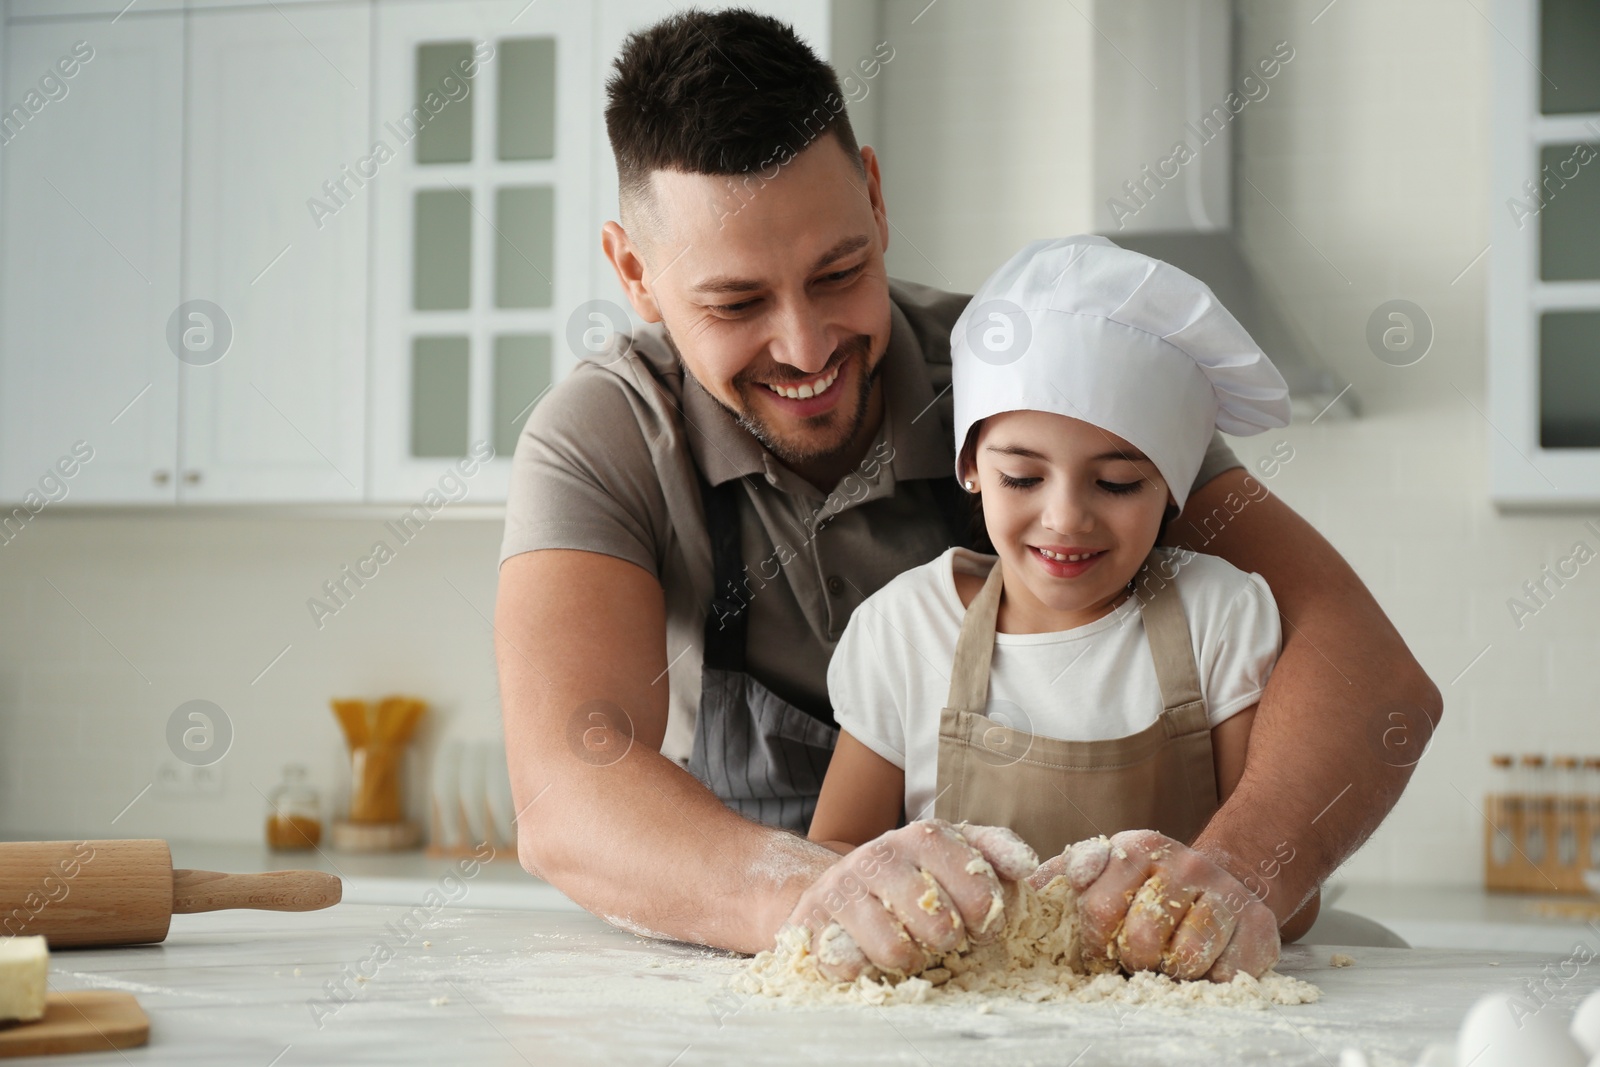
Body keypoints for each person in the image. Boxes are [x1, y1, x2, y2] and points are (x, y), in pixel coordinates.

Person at [494, 8, 1441, 981]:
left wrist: (1233, 874)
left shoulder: (1038, 380)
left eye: (839, 271)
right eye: (736, 303)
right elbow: (569, 788)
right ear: (635, 273)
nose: (808, 346)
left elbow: (1370, 672)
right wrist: (821, 896)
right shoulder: (602, 437)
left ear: (874, 195)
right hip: (766, 972)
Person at [809, 235, 1290, 981]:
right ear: (971, 465)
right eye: (1024, 476)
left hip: (1173, 1027)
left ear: (1175, 486)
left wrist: (1220, 897)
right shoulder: (906, 630)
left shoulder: (1219, 619)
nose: (1065, 518)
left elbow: (1287, 883)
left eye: (1119, 484)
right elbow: (836, 858)